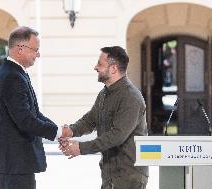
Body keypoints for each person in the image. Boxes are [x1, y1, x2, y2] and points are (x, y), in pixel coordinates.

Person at [60, 46, 149, 189]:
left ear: (113, 69)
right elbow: (90, 120)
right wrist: (70, 131)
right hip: (110, 175)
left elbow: (117, 136)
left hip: (128, 177)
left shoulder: (131, 97)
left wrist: (81, 148)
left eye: (100, 64)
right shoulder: (104, 93)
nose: (95, 67)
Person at [0, 26, 59, 189]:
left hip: (13, 163)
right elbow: (25, 120)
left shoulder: (13, 72)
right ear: (20, 49)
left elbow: (33, 113)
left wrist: (57, 130)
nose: (38, 54)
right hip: (16, 163)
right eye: (35, 50)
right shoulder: (13, 77)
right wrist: (58, 133)